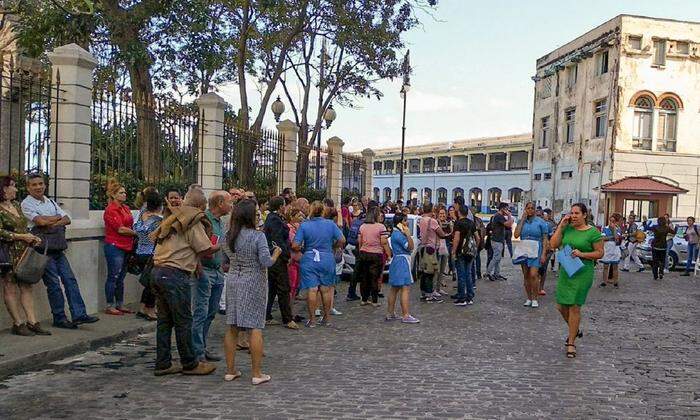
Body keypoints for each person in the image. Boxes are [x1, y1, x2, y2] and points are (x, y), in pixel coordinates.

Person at [150, 189, 217, 376]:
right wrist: (221, 246)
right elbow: (205, 249)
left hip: (158, 271)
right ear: (201, 206)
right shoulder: (192, 221)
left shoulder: (172, 218)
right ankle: (190, 363)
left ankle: (163, 363)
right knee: (183, 321)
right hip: (175, 274)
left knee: (164, 321)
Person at [21, 173, 99, 329]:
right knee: (54, 284)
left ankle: (79, 314)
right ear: (28, 187)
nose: (38, 187)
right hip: (43, 250)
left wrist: (51, 222)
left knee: (70, 280)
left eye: (40, 183)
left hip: (57, 248)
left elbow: (67, 219)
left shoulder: (50, 201)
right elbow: (40, 221)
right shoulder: (26, 204)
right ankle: (59, 317)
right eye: (34, 184)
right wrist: (55, 218)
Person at [222, 199, 282, 385]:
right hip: (253, 281)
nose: (258, 215)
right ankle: (257, 373)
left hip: (233, 279)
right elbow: (266, 262)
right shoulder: (257, 237)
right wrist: (276, 253)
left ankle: (230, 370)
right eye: (256, 212)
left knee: (232, 325)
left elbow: (225, 260)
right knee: (255, 326)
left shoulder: (227, 236)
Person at [549, 203, 604, 358]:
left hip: (583, 271)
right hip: (567, 270)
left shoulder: (593, 233)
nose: (573, 216)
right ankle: (575, 328)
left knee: (574, 306)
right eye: (571, 213)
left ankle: (571, 342)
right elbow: (553, 245)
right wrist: (561, 226)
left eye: (577, 213)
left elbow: (600, 253)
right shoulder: (567, 229)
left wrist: (582, 254)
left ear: (584, 215)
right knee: (561, 306)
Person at [0, 175, 50, 336]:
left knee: (26, 285)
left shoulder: (16, 205)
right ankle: (17, 322)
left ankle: (32, 321)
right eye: (12, 186)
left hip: (23, 250)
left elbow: (23, 226)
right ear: (4, 189)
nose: (15, 189)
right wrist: (20, 237)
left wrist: (30, 236)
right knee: (10, 285)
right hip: (7, 252)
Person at [191, 190, 233, 363]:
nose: (232, 205)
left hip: (217, 270)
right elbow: (202, 247)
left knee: (210, 312)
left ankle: (202, 346)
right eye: (229, 202)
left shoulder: (220, 222)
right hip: (204, 270)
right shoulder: (204, 220)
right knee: (200, 312)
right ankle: (196, 351)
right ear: (220, 203)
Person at [292, 201, 344, 327]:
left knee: (312, 289)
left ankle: (312, 320)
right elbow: (342, 239)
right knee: (325, 289)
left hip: (310, 257)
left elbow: (295, 245)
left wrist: (302, 249)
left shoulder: (305, 225)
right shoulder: (330, 224)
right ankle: (326, 318)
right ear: (323, 211)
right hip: (326, 257)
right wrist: (333, 246)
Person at [263, 196, 298, 330]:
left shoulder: (274, 218)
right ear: (280, 206)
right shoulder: (274, 219)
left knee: (272, 288)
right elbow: (277, 239)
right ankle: (287, 318)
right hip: (277, 257)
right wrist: (286, 254)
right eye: (283, 205)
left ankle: (267, 315)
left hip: (276, 256)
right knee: (283, 287)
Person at [102, 180, 136, 315]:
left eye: (124, 192)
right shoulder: (111, 210)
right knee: (113, 276)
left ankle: (120, 303)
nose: (124, 195)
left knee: (121, 277)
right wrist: (136, 233)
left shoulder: (125, 208)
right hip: (115, 245)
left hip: (127, 245)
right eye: (121, 193)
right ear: (114, 195)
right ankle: (110, 305)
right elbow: (120, 229)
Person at [132, 187, 162, 321]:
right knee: (153, 284)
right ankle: (149, 309)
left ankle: (142, 307)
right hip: (152, 253)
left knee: (149, 282)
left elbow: (137, 229)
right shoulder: (157, 220)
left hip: (140, 251)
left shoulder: (141, 215)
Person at [513, 202, 550, 308]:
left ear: (535, 210)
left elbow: (545, 239)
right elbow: (516, 235)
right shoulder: (522, 221)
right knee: (526, 275)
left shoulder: (541, 222)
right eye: (528, 208)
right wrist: (522, 219)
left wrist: (543, 254)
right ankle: (529, 297)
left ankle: (535, 298)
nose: (530, 210)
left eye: (532, 208)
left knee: (534, 274)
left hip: (536, 248)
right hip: (524, 248)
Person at [355, 206, 391, 307]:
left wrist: (361, 250)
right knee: (375, 277)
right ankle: (374, 300)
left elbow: (359, 241)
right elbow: (384, 242)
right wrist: (389, 254)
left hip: (364, 253)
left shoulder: (362, 227)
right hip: (376, 254)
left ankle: (364, 299)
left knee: (364, 277)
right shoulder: (381, 227)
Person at [386, 213, 419, 323]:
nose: (407, 223)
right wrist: (408, 235)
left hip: (396, 261)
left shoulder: (394, 234)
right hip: (402, 261)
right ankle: (406, 314)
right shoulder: (399, 235)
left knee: (394, 288)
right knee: (405, 288)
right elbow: (410, 246)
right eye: (405, 221)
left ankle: (390, 313)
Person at [417, 202, 448, 302]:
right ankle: (429, 294)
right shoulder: (432, 221)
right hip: (431, 248)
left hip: (423, 246)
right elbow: (441, 234)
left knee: (424, 271)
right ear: (432, 209)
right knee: (430, 271)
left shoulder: (421, 219)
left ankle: (423, 292)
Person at [451, 203, 478, 306]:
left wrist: (453, 251)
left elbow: (457, 238)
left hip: (460, 251)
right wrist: (475, 248)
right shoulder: (471, 223)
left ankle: (462, 297)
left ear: (459, 212)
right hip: (470, 252)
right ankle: (470, 296)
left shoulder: (458, 223)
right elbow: (477, 237)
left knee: (461, 274)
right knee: (468, 274)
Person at [485, 203, 513, 281]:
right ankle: (488, 272)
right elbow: (509, 224)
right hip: (497, 240)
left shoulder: (498, 216)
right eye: (506, 209)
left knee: (498, 258)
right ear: (502, 209)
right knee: (496, 257)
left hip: (498, 239)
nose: (507, 211)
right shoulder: (499, 216)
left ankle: (496, 273)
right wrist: (509, 215)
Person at [599, 214, 623, 289]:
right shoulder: (605, 228)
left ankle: (615, 282)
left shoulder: (618, 228)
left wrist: (613, 230)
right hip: (607, 249)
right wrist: (611, 237)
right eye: (610, 221)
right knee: (605, 266)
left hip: (615, 249)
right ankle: (604, 281)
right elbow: (603, 238)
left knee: (615, 266)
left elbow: (617, 238)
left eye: (613, 221)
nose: (611, 222)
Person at [537, 208, 556, 295]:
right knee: (535, 269)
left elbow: (552, 236)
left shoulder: (549, 224)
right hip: (535, 248)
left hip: (546, 249)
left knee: (543, 269)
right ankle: (535, 286)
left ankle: (541, 287)